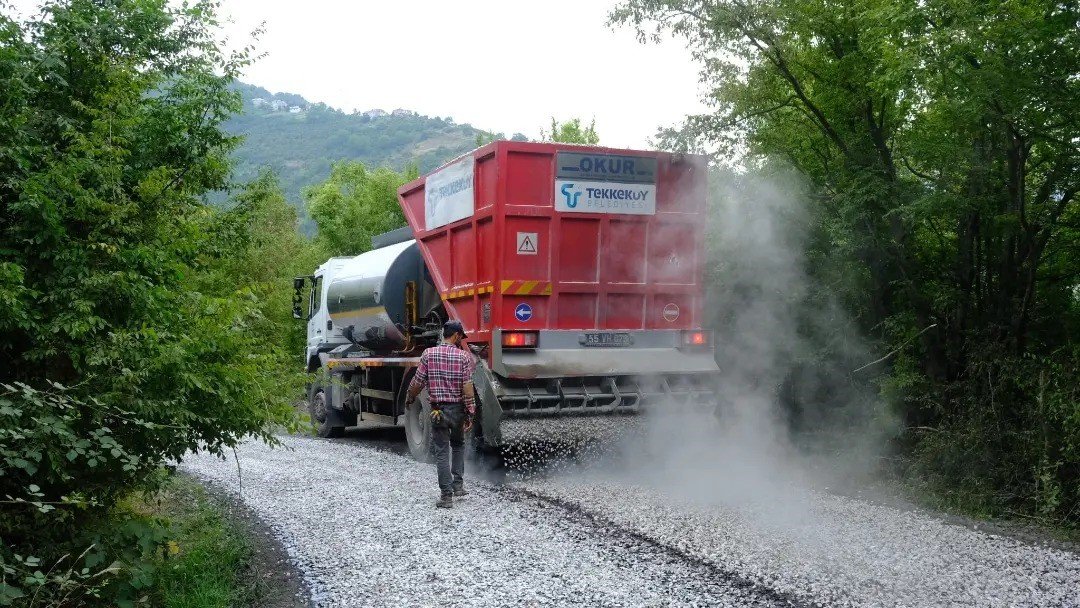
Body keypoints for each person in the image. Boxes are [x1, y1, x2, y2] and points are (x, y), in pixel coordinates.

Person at [405, 320, 476, 508]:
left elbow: (418, 381)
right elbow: (467, 388)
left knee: (442, 452)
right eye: (460, 337)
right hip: (458, 410)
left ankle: (446, 497)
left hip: (438, 411)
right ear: (456, 336)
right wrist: (470, 412)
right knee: (459, 445)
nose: (461, 340)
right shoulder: (463, 358)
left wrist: (410, 397)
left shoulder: (429, 354)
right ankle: (458, 486)